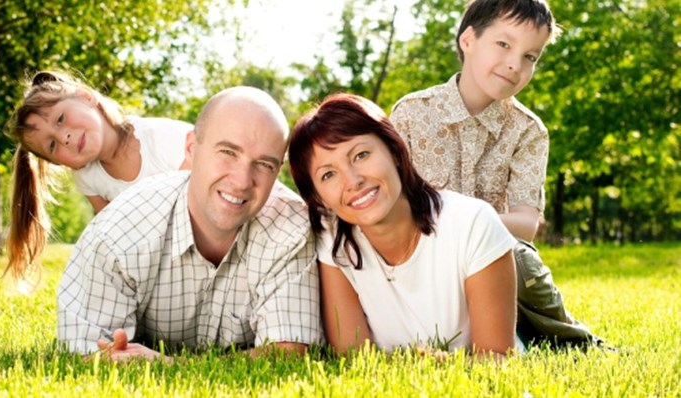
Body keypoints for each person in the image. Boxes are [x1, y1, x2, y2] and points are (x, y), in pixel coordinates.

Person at [390, 0, 600, 347]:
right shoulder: (412, 113)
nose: (515, 64)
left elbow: (525, 224)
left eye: (531, 57)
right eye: (503, 44)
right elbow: (396, 205)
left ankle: (571, 338)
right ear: (468, 41)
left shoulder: (528, 130)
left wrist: (466, 227)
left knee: (520, 258)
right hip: (422, 255)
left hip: (496, 260)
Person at [57, 86, 322, 361]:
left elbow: (288, 352)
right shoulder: (121, 232)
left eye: (264, 164)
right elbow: (82, 353)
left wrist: (171, 366)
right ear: (191, 149)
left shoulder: (291, 229)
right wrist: (109, 359)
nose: (242, 181)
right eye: (228, 152)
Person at [289, 93, 517, 360]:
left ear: (395, 151)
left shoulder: (472, 223)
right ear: (318, 197)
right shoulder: (333, 240)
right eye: (328, 174)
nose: (352, 181)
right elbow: (355, 359)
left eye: (361, 155)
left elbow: (497, 360)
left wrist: (420, 366)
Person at [5, 70, 192, 283]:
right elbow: (116, 235)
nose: (64, 137)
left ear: (86, 97)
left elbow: (199, 204)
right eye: (52, 145)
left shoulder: (159, 137)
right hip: (161, 263)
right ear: (60, 163)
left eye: (60, 118)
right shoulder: (87, 177)